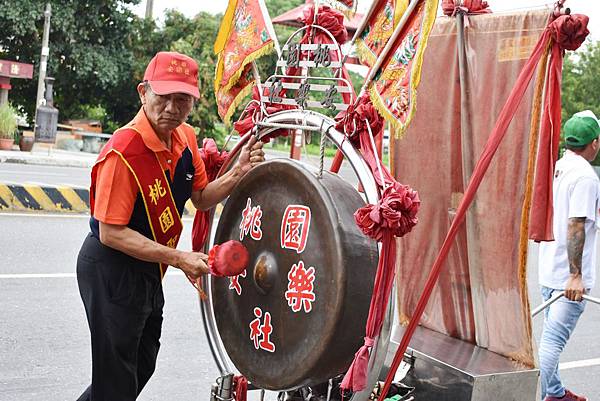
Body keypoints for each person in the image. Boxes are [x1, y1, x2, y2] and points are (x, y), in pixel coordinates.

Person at [76, 51, 265, 401]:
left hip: (150, 267)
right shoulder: (123, 152)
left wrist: (238, 173)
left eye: (183, 100)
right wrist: (178, 258)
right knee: (116, 379)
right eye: (163, 97)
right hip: (112, 268)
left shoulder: (186, 138)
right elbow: (111, 232)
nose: (172, 108)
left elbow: (202, 196)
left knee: (141, 365)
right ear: (143, 92)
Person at [538, 110, 600, 401]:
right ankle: (551, 397)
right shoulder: (585, 176)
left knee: (549, 341)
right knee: (551, 345)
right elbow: (575, 223)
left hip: (549, 271)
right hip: (568, 279)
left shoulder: (557, 166)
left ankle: (555, 393)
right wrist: (576, 276)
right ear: (595, 143)